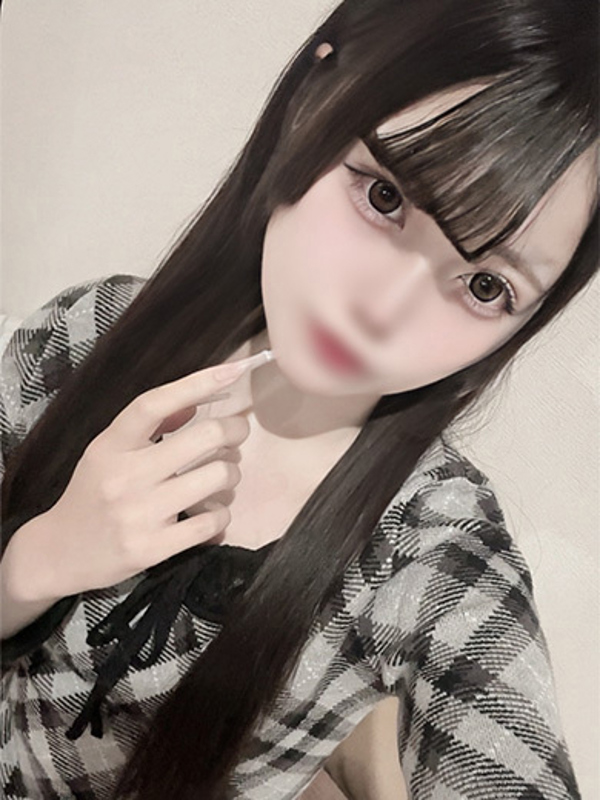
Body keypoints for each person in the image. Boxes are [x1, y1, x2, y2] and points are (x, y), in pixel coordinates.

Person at [0, 0, 597, 798]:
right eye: (385, 197)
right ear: (311, 102)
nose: (380, 315)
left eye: (486, 286)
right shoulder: (86, 335)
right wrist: (41, 559)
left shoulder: (428, 551)